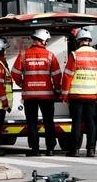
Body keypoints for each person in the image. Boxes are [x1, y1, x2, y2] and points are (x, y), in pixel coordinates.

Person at [12, 28, 62, 157]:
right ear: (43, 40)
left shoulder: (23, 55)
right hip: (47, 95)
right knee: (48, 122)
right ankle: (50, 149)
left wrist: (23, 84)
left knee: (32, 122)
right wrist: (57, 90)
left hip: (29, 96)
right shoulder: (50, 55)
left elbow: (15, 73)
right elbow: (57, 75)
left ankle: (35, 149)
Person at [62, 29, 97, 157]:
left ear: (78, 41)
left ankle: (74, 150)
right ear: (89, 41)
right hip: (92, 95)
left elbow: (67, 76)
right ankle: (91, 149)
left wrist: (64, 95)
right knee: (91, 123)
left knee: (76, 122)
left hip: (76, 95)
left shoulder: (75, 55)